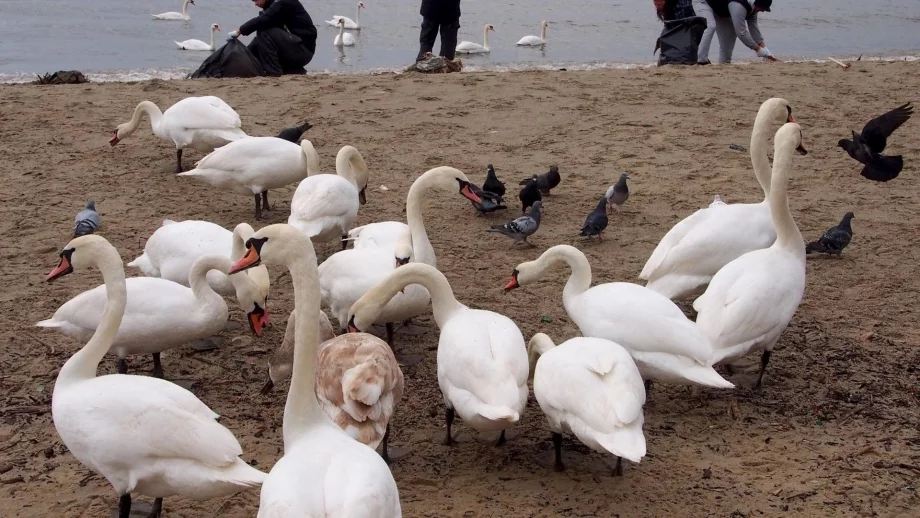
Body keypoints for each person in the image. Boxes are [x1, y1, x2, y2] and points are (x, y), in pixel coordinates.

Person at [226, 0, 318, 76]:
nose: (255, 4)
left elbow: (263, 20)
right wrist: (246, 54)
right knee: (258, 43)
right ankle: (294, 70)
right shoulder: (272, 6)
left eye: (256, 0)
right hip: (294, 50)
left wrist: (239, 31)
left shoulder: (282, 2)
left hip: (303, 51)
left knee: (264, 31)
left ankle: (273, 72)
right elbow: (261, 39)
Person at [694, 0, 779, 64]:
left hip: (719, 9)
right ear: (756, 3)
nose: (763, 11)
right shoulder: (739, 6)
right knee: (711, 26)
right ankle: (701, 60)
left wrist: (763, 46)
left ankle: (724, 63)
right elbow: (741, 32)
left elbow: (753, 28)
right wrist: (757, 49)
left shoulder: (753, 8)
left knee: (730, 34)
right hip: (703, 2)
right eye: (762, 8)